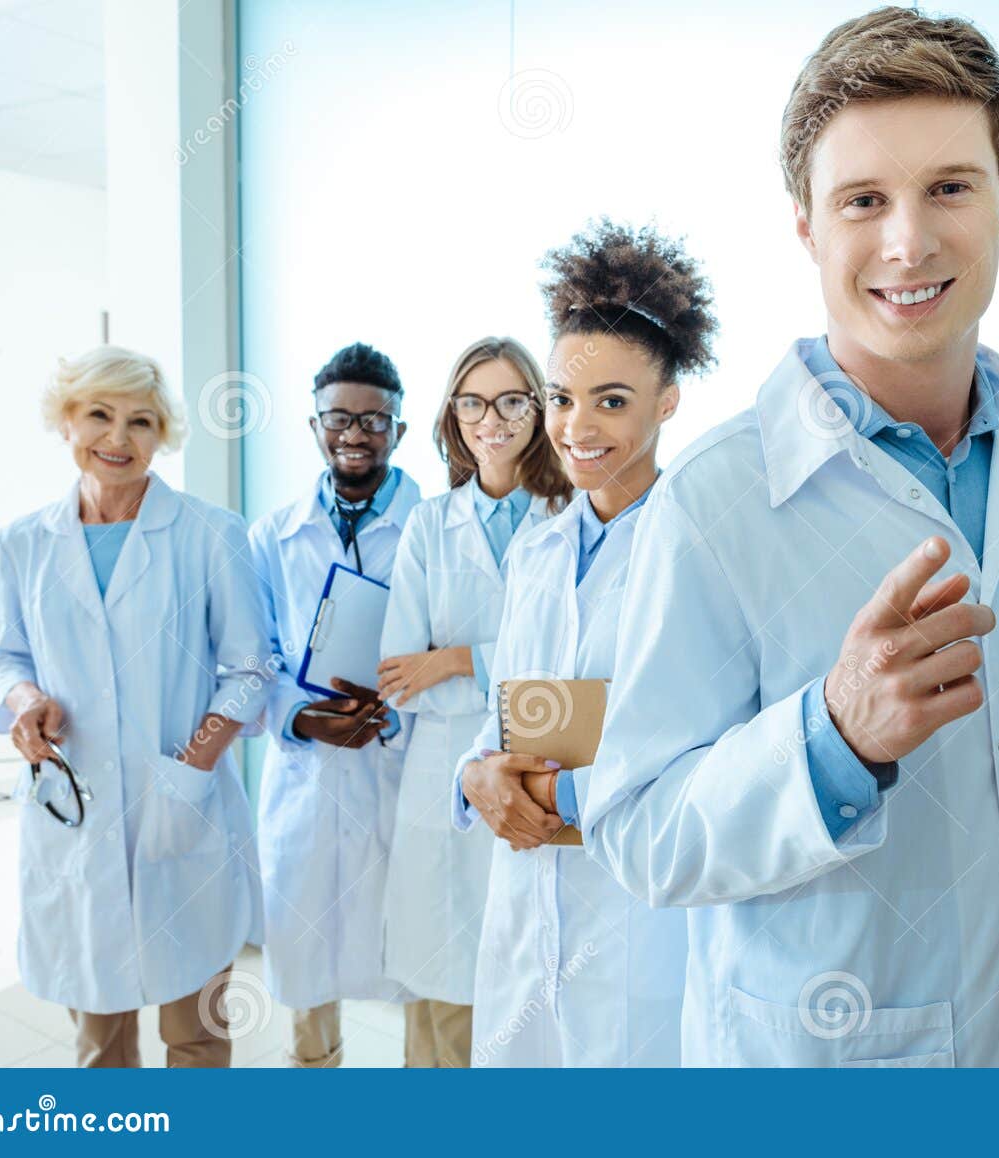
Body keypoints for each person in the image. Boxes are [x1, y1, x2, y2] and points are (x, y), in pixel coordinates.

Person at [583, 7, 999, 1067]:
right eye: (863, 200)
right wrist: (835, 736)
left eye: (950, 186)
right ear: (808, 230)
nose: (909, 241)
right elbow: (637, 831)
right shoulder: (715, 500)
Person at [452, 221, 717, 1066]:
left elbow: (707, 755)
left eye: (613, 401)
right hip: (526, 897)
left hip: (634, 914)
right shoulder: (538, 547)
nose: (577, 428)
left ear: (667, 402)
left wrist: (565, 800)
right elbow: (507, 704)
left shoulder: (700, 551)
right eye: (563, 399)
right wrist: (473, 773)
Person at [0, 345, 269, 1068]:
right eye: (100, 415)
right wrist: (25, 700)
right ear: (66, 421)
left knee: (196, 1034)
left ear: (162, 434)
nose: (119, 438)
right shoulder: (23, 542)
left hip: (183, 808)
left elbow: (251, 670)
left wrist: (193, 764)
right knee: (98, 1042)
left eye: (141, 421)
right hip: (75, 808)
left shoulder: (211, 532)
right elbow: (4, 658)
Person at [376, 336, 571, 1067]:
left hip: (540, 762)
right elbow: (400, 676)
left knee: (531, 982)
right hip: (441, 775)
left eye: (512, 400)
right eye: (473, 403)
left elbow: (566, 672)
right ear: (454, 416)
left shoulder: (572, 511)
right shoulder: (430, 523)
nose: (493, 419)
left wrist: (458, 659)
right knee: (443, 982)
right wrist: (495, 668)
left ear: (538, 406)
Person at [247, 342, 425, 1067]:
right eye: (338, 417)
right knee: (305, 965)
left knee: (421, 966)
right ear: (314, 424)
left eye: (374, 420)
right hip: (308, 777)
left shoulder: (435, 526)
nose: (355, 432)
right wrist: (299, 714)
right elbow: (251, 659)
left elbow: (458, 646)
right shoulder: (271, 537)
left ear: (400, 431)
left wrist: (396, 714)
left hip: (401, 769)